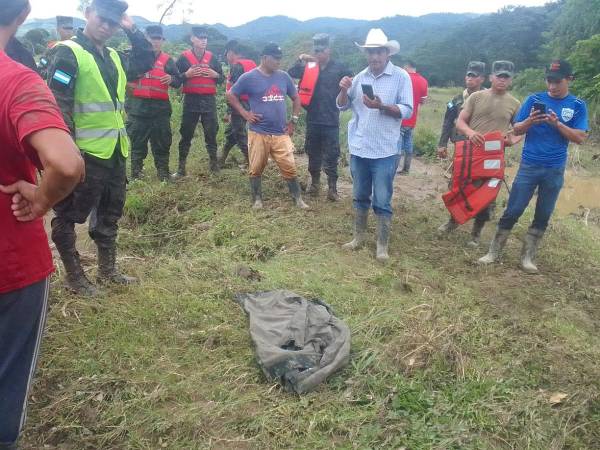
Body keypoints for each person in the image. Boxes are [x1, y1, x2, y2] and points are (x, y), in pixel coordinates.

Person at [0, 1, 84, 446]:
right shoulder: (15, 79)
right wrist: (41, 199)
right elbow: (67, 165)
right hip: (9, 263)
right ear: (22, 16)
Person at [47, 0, 155, 296]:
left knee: (110, 213)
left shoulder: (113, 56)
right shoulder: (69, 52)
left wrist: (132, 28)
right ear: (87, 14)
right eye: (103, 19)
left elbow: (146, 59)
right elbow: (58, 104)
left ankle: (108, 271)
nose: (107, 27)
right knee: (69, 215)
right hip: (85, 154)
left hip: (115, 150)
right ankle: (75, 277)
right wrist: (67, 152)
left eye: (114, 22)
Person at [478, 60, 588, 273]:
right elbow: (517, 129)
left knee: (543, 213)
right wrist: (530, 121)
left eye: (557, 82)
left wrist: (557, 124)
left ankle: (528, 257)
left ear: (569, 80)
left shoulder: (577, 105)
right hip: (529, 165)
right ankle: (494, 251)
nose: (552, 86)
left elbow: (580, 138)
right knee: (514, 209)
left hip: (554, 169)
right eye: (549, 81)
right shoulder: (534, 99)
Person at [337, 29, 413, 261]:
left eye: (379, 52)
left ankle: (382, 244)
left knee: (382, 198)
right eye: (370, 52)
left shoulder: (401, 77)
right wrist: (342, 89)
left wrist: (382, 106)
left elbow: (407, 110)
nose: (374, 57)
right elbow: (341, 106)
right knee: (360, 195)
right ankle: (358, 237)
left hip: (385, 150)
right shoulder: (359, 78)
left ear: (387, 53)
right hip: (360, 147)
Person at [438, 60, 522, 247]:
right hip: (470, 152)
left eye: (506, 77)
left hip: (493, 157)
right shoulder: (476, 97)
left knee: (487, 194)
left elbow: (519, 130)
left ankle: (476, 234)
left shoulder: (515, 103)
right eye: (498, 76)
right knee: (459, 188)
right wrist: (470, 132)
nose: (501, 80)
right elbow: (460, 122)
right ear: (491, 77)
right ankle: (453, 221)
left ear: (510, 80)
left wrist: (511, 140)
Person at [227, 43, 309, 210]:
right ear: (264, 58)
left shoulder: (283, 77)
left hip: (280, 132)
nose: (278, 62)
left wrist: (293, 120)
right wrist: (245, 114)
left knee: (289, 166)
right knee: (256, 167)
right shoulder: (249, 77)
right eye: (275, 58)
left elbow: (296, 98)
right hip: (258, 132)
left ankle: (297, 199)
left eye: (280, 58)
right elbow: (230, 95)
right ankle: (257, 199)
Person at [288, 33, 353, 201]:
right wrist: (301, 58)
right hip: (313, 119)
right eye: (315, 50)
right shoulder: (308, 67)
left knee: (332, 155)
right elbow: (291, 72)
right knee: (313, 153)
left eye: (321, 50)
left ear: (328, 50)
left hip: (331, 119)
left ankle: (332, 189)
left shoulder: (339, 67)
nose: (317, 54)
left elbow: (352, 78)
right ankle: (315, 185)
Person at [126, 25, 183, 181]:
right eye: (152, 38)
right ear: (146, 39)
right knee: (137, 143)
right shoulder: (134, 57)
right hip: (138, 109)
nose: (155, 42)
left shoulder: (168, 60)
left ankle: (163, 174)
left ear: (162, 41)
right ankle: (136, 175)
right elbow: (123, 79)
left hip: (160, 110)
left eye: (158, 39)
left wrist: (171, 79)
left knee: (162, 143)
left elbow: (178, 81)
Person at [174, 26, 224, 176]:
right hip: (191, 101)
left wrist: (216, 74)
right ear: (192, 39)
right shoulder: (183, 58)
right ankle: (181, 169)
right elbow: (175, 80)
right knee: (186, 134)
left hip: (209, 101)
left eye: (205, 38)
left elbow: (222, 79)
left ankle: (214, 166)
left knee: (211, 133)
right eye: (200, 38)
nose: (204, 41)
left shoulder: (212, 58)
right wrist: (186, 75)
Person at [437, 61, 486, 159]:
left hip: (482, 143)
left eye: (474, 76)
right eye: (469, 75)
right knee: (460, 171)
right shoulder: (457, 99)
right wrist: (442, 144)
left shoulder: (488, 98)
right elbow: (448, 122)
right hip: (461, 143)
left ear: (482, 79)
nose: (470, 79)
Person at [220, 39, 257, 168]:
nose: (226, 57)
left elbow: (234, 92)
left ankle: (252, 162)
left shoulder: (237, 66)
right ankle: (221, 159)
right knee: (231, 133)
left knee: (239, 134)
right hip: (252, 103)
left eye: (227, 54)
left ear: (231, 53)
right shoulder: (252, 63)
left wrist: (230, 111)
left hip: (240, 104)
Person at [397, 59, 428, 175]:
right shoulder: (423, 81)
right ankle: (406, 169)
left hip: (400, 117)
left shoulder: (402, 77)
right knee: (408, 142)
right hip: (412, 118)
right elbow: (422, 101)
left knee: (397, 145)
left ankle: (393, 169)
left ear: (406, 67)